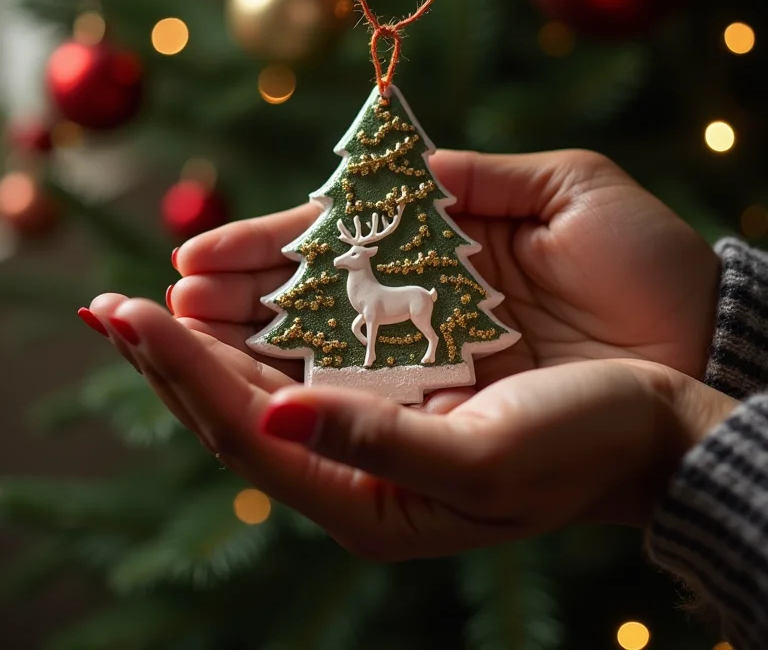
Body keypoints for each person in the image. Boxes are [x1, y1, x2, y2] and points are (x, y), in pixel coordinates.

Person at [78, 149, 768, 649]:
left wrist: (681, 430)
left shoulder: (394, 291)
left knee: (392, 328)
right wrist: (716, 327)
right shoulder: (363, 282)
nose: (352, 262)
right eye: (352, 260)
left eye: (355, 260)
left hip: (414, 312)